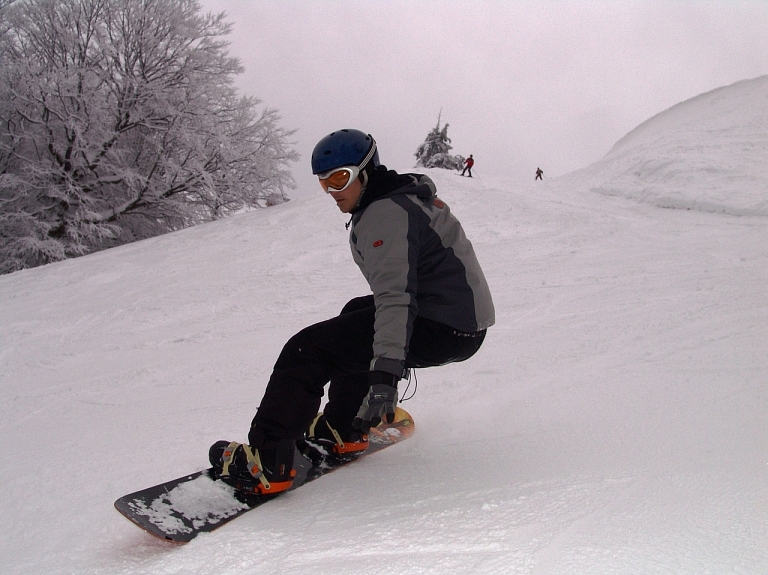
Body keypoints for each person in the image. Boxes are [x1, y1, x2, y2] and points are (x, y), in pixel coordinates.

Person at [209, 129, 495, 495]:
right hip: (460, 323)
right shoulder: (401, 199)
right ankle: (343, 428)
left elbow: (396, 298)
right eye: (324, 182)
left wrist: (385, 377)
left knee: (307, 349)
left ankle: (268, 463)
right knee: (356, 312)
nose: (332, 191)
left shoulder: (384, 213)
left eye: (340, 178)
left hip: (442, 326)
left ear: (366, 171)